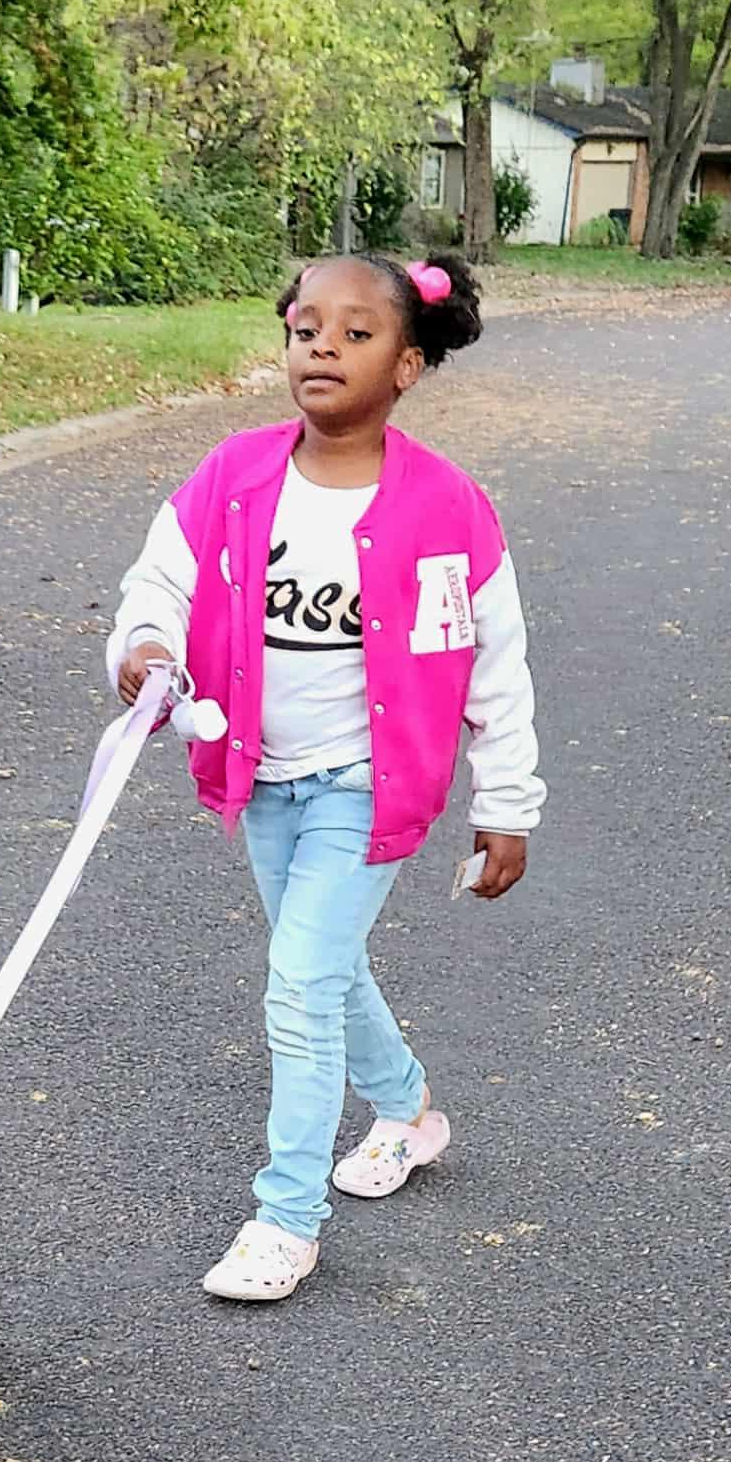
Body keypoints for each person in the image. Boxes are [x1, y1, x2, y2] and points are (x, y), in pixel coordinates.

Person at [108, 249, 543, 1302]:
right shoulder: (233, 477)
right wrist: (145, 647)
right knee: (326, 969)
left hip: (367, 784)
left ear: (407, 364)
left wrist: (506, 804)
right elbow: (159, 581)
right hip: (260, 775)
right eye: (307, 329)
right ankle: (409, 1110)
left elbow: (495, 664)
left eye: (356, 333)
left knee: (300, 984)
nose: (323, 349)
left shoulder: (447, 510)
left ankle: (285, 1217)